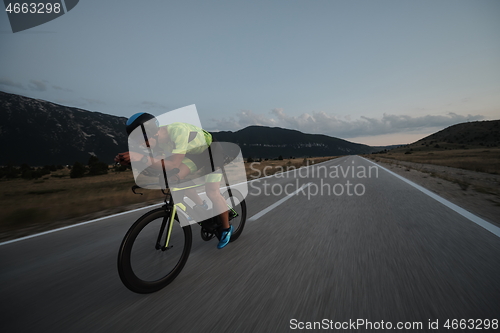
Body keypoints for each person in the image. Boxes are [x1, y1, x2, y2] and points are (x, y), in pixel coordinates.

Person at [114, 112, 232, 249]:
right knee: (173, 179)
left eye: (143, 141)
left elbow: (173, 164)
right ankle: (202, 206)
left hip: (211, 151)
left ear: (154, 133)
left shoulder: (178, 131)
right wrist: (131, 162)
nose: (142, 145)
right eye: (137, 142)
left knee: (212, 192)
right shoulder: (154, 141)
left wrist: (142, 158)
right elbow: (158, 165)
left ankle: (226, 229)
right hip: (193, 155)